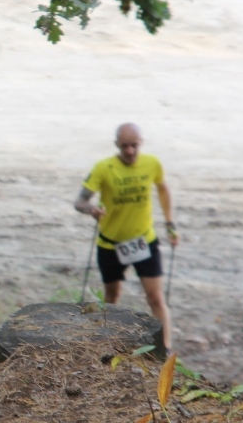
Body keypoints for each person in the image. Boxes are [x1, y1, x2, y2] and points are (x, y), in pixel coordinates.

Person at [74, 123, 179, 352]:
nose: (130, 151)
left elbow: (163, 189)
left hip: (144, 241)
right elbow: (79, 201)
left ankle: (165, 348)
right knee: (112, 295)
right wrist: (91, 209)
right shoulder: (104, 168)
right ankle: (106, 345)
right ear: (116, 145)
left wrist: (170, 223)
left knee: (155, 297)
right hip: (110, 244)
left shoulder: (152, 164)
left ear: (141, 144)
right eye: (125, 147)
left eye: (134, 146)